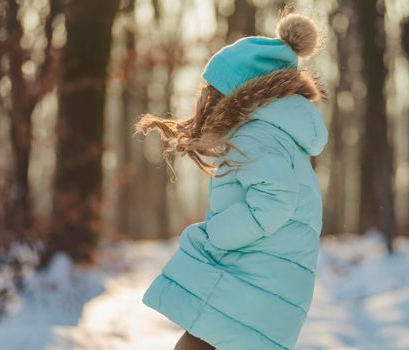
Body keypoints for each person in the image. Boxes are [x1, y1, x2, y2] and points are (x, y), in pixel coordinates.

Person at [135, 7, 328, 350]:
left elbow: (274, 200)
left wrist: (218, 233)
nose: (205, 96)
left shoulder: (257, 136)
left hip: (254, 281)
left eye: (213, 88)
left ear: (236, 92)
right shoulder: (275, 135)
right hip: (266, 282)